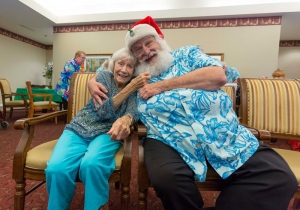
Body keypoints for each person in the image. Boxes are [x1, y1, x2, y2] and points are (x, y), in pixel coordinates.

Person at [88, 16, 297, 210]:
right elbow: (113, 70)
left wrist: (163, 86)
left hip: (222, 131)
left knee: (280, 178)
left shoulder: (187, 54)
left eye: (148, 43)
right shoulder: (138, 74)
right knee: (167, 180)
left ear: (160, 40)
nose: (145, 51)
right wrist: (92, 82)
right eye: (137, 49)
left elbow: (217, 76)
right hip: (167, 138)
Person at [45, 48, 151, 210]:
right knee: (56, 168)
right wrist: (130, 87)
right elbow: (103, 111)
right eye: (121, 64)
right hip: (78, 128)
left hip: (107, 132)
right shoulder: (103, 77)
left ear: (135, 70)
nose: (124, 70)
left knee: (92, 165)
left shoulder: (137, 85)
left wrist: (127, 118)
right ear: (113, 65)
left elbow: (133, 110)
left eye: (130, 66)